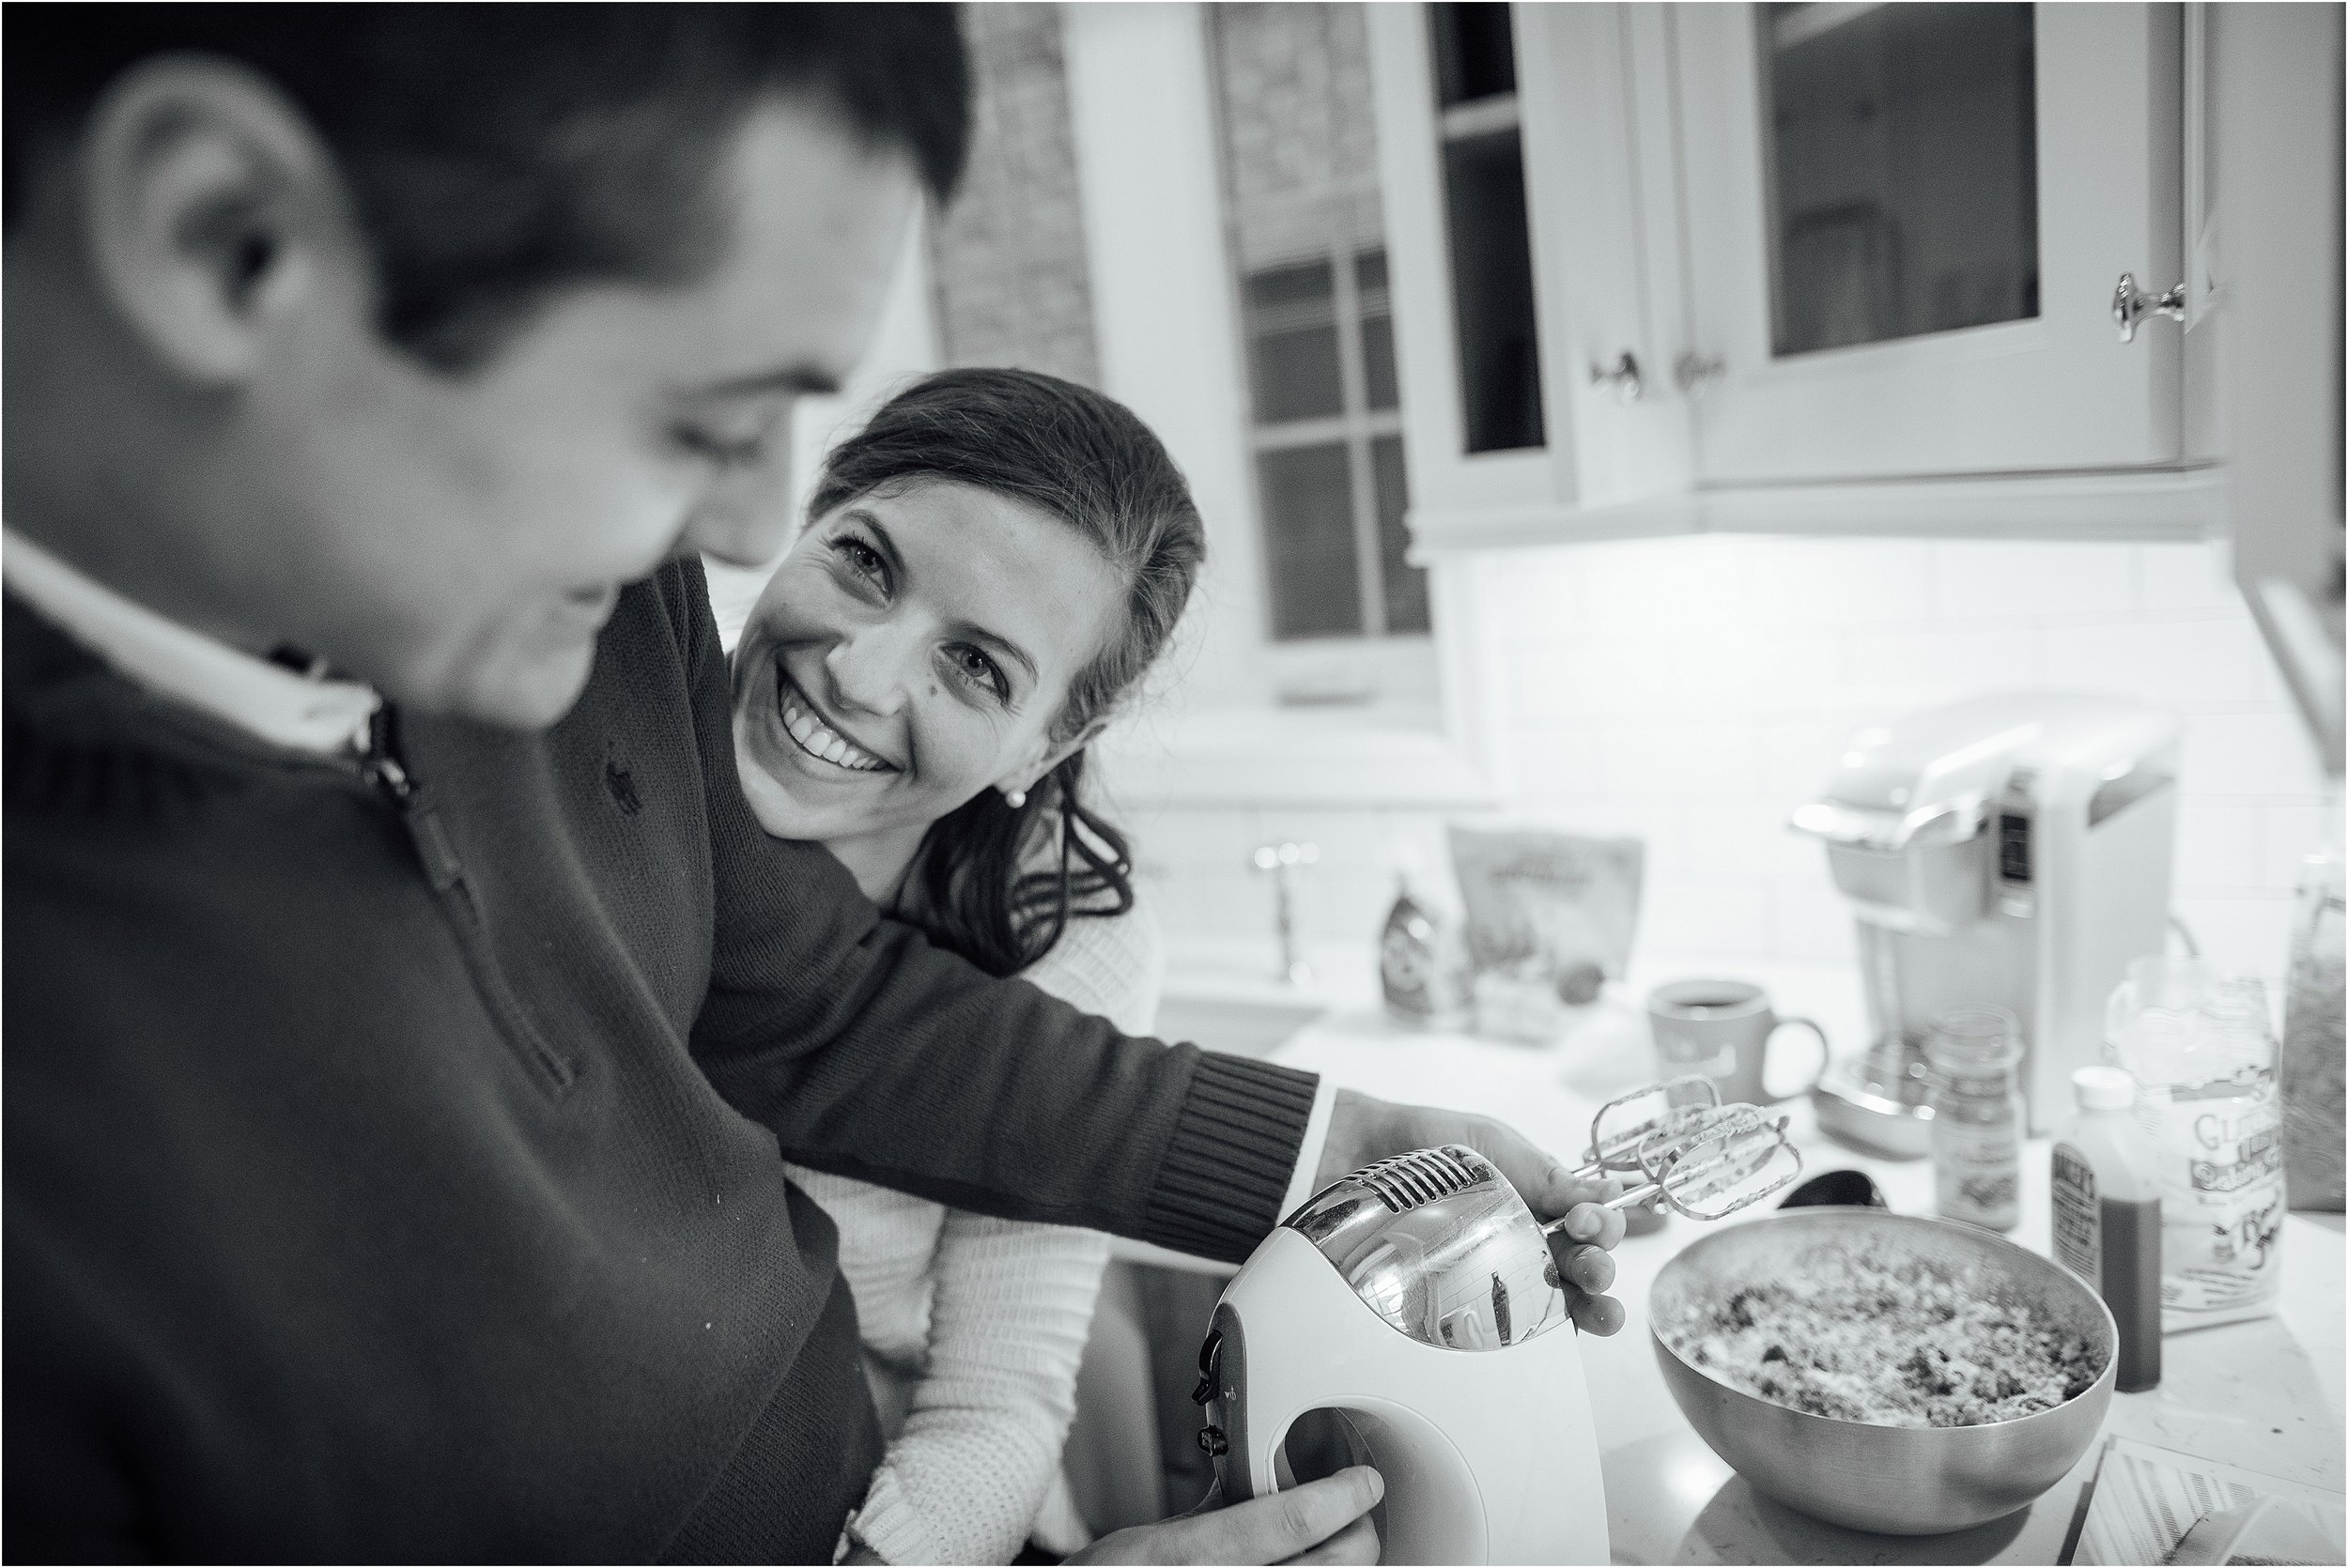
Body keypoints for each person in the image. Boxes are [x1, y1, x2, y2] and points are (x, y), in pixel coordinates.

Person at [2, 8, 1625, 1562]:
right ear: (219, 237)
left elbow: (831, 1011)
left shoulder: (567, 607)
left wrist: (1342, 1138)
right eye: (697, 412)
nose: (738, 531)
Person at [729, 365, 1201, 1562]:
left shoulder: (1073, 951)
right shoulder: (604, 780)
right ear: (808, 518)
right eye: (866, 564)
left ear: (1050, 740)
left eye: (977, 667)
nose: (860, 674)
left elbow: (994, 1403)